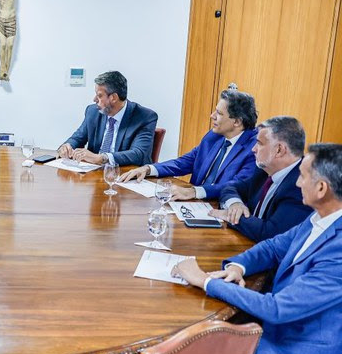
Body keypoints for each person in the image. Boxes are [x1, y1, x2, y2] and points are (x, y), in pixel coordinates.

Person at [174, 143, 342, 354]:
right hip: (278, 332)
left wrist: (204, 280)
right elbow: (274, 247)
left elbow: (277, 309)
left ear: (322, 189)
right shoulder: (321, 218)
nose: (297, 183)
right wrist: (236, 267)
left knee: (188, 353)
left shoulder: (339, 253)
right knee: (198, 338)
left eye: (303, 176)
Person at [118, 89, 258, 200]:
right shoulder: (213, 137)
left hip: (224, 212)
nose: (212, 116)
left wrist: (194, 192)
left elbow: (237, 186)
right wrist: (148, 169)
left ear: (237, 122)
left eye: (219, 113)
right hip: (194, 205)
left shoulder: (255, 149)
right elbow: (184, 163)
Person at [210, 116, 312, 242]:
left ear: (279, 150)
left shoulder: (302, 185)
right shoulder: (264, 170)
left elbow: (270, 233)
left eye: (259, 143)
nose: (253, 149)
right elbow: (231, 187)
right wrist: (235, 204)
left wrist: (233, 216)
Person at [57, 71, 157, 166]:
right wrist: (67, 146)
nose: (94, 100)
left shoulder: (144, 117)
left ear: (113, 97)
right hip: (93, 174)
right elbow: (78, 138)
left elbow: (138, 154)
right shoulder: (93, 112)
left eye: (99, 95)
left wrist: (102, 158)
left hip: (125, 175)